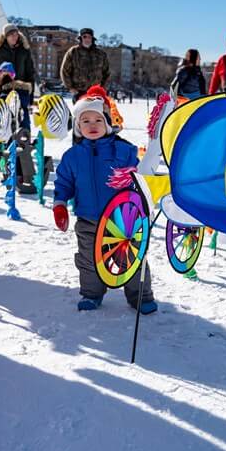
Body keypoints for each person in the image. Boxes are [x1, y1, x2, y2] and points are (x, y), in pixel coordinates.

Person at [52, 90, 156, 314]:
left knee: (132, 258)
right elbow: (63, 183)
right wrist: (60, 204)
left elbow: (138, 179)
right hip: (88, 219)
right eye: (85, 120)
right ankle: (91, 294)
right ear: (78, 126)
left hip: (123, 219)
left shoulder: (124, 151)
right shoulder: (72, 156)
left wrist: (142, 201)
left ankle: (140, 296)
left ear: (108, 123)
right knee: (88, 261)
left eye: (98, 119)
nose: (92, 124)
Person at [0, 23, 35, 133]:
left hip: (21, 89)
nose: (14, 36)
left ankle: (25, 142)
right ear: (5, 36)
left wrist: (31, 96)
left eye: (16, 34)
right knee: (5, 120)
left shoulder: (24, 50)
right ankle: (5, 143)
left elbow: (30, 72)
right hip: (4, 90)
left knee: (24, 118)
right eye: (11, 34)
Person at [60, 28, 110, 101]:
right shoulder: (73, 52)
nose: (87, 39)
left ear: (92, 39)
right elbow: (64, 70)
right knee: (80, 112)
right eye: (84, 37)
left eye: (89, 37)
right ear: (81, 38)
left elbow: (107, 73)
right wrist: (70, 87)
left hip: (95, 92)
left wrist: (103, 88)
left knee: (98, 112)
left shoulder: (101, 54)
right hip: (79, 91)